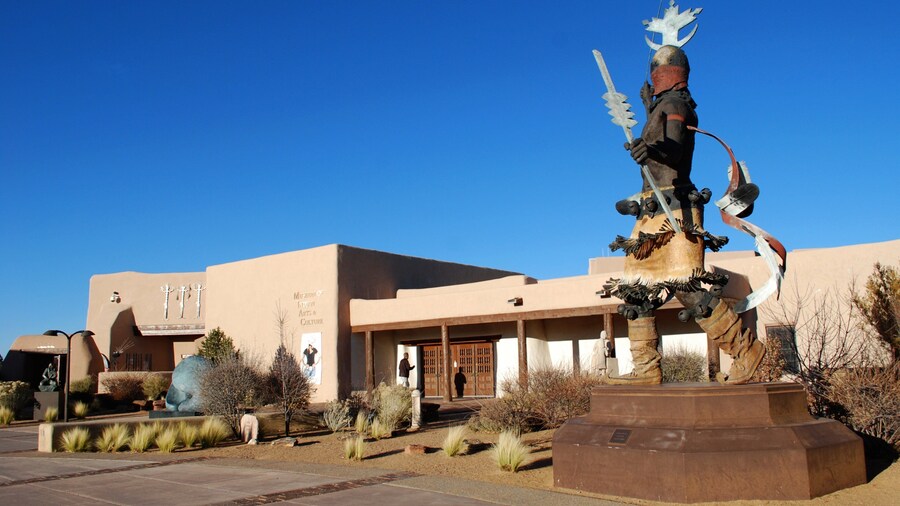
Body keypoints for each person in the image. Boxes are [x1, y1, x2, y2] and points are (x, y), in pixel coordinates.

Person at [604, 45, 765, 385]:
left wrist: (651, 148)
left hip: (675, 210)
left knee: (687, 286)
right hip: (651, 209)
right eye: (652, 71)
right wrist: (649, 109)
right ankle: (647, 369)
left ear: (674, 73)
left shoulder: (676, 106)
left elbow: (674, 150)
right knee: (637, 288)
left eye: (658, 71)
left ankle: (745, 350)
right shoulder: (662, 106)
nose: (653, 77)